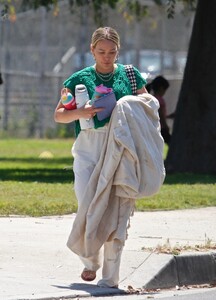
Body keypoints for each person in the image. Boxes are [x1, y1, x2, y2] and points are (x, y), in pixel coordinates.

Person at [54, 27, 149, 288]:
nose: (107, 57)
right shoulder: (78, 79)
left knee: (116, 210)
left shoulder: (130, 76)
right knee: (87, 204)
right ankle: (89, 258)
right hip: (88, 147)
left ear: (118, 50)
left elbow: (147, 107)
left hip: (120, 146)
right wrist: (80, 112)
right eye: (101, 52)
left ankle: (110, 277)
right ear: (91, 50)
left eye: (112, 52)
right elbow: (59, 114)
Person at [146, 75, 174, 145]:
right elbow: (160, 114)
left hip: (155, 127)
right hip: (162, 127)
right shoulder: (160, 100)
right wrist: (166, 125)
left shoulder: (152, 99)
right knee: (172, 142)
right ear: (161, 88)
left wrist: (167, 116)